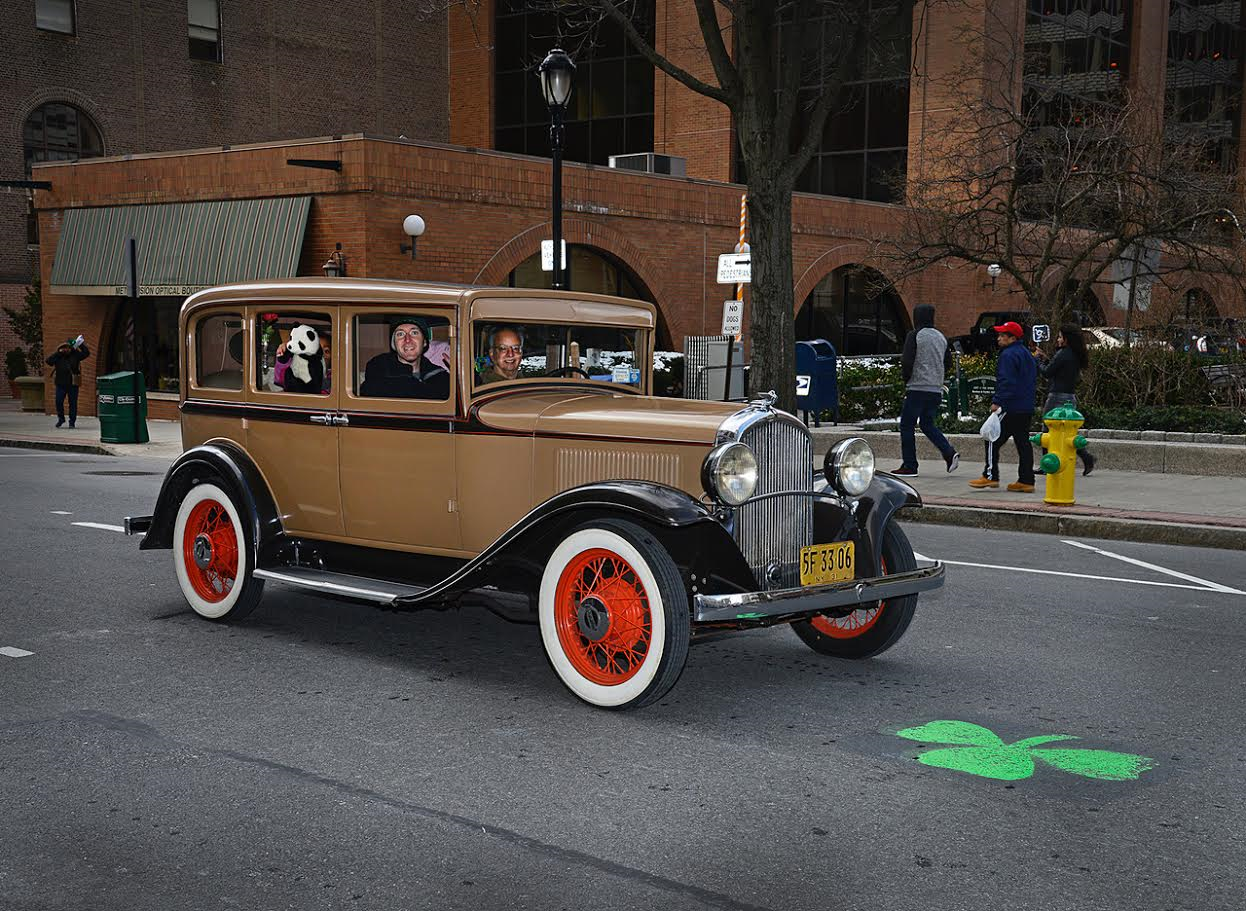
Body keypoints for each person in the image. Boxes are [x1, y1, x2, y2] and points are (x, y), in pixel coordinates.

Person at [970, 320, 1037, 492]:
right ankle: (1026, 480)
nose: (998, 338)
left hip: (1011, 406)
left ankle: (990, 476)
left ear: (1012, 338)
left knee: (991, 438)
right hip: (1026, 405)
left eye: (1002, 335)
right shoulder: (1026, 353)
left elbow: (1006, 381)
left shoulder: (1008, 355)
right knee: (1023, 443)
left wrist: (997, 401)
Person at [893, 304, 959, 476]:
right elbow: (948, 363)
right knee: (927, 424)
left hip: (917, 387)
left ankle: (910, 465)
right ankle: (949, 453)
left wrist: (906, 380)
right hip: (935, 389)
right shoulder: (940, 337)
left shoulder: (915, 335)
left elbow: (907, 361)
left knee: (907, 425)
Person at [1036, 323, 1097, 476]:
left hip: (1056, 396)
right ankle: (1087, 457)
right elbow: (1060, 369)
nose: (1058, 339)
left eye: (1060, 337)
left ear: (1066, 339)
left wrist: (1038, 360)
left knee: (1047, 429)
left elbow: (1047, 372)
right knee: (1068, 433)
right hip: (1070, 397)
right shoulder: (1075, 354)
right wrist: (1047, 358)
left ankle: (1046, 464)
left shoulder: (1062, 354)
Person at [360, 316, 450, 399]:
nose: (407, 340)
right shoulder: (379, 369)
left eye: (414, 333)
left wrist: (458, 380)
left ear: (424, 342)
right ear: (394, 344)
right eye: (400, 334)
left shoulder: (440, 377)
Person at [45, 335, 90, 428]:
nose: (66, 350)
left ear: (70, 348)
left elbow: (86, 353)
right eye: (63, 348)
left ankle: (72, 421)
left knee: (73, 403)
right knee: (58, 401)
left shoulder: (75, 355)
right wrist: (58, 353)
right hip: (60, 384)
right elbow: (48, 361)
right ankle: (61, 418)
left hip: (73, 383)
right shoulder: (58, 356)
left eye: (67, 348)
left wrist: (80, 345)